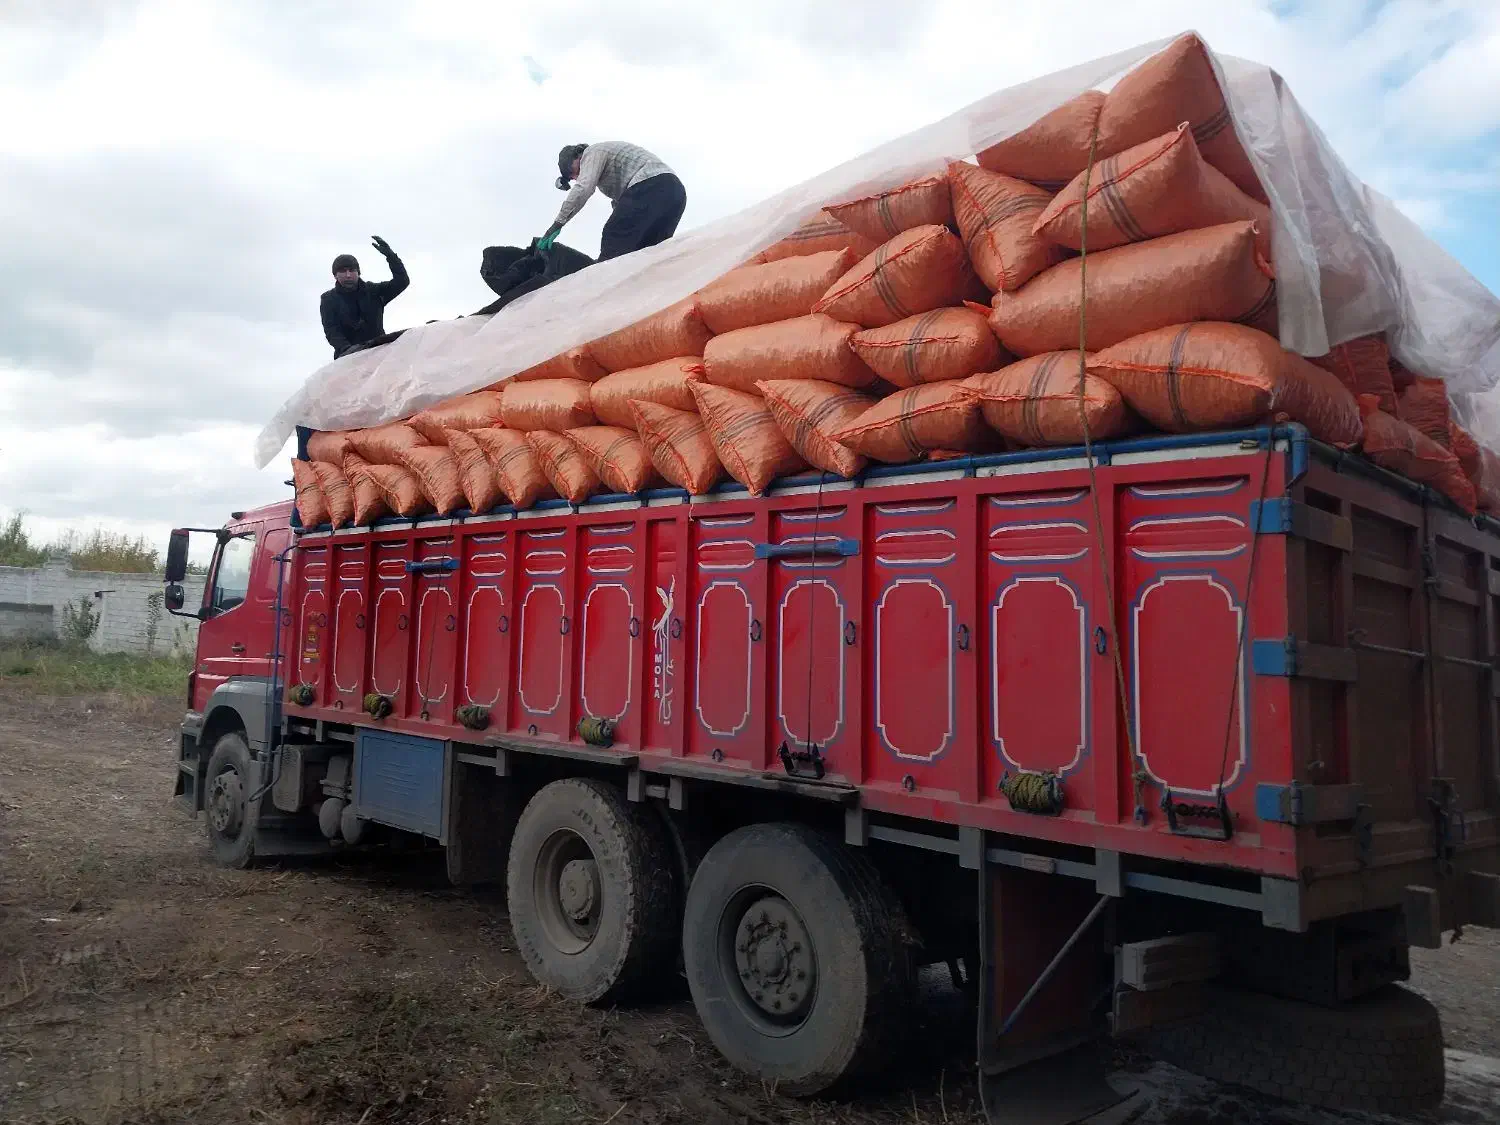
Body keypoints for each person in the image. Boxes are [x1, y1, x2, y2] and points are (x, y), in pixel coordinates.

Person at [538, 142, 686, 262]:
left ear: (578, 156)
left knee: (614, 235)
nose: (576, 177)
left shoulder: (592, 153)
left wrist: (558, 224)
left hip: (652, 185)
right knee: (648, 253)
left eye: (574, 171)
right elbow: (625, 209)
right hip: (674, 194)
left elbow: (583, 189)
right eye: (572, 177)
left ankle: (600, 286)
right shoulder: (609, 169)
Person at [319, 236, 409, 358]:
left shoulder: (374, 291)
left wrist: (392, 257)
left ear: (358, 272)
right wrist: (347, 349)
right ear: (335, 275)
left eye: (352, 270)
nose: (348, 275)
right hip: (348, 358)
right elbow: (331, 330)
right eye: (342, 271)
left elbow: (402, 281)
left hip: (379, 353)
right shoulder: (328, 299)